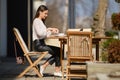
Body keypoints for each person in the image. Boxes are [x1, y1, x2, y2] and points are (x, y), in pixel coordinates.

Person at [32, 5, 62, 77]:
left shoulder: (40, 22)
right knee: (58, 51)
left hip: (42, 44)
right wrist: (49, 29)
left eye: (47, 13)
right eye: (45, 13)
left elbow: (45, 35)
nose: (46, 15)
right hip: (38, 45)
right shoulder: (36, 21)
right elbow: (40, 34)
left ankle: (44, 67)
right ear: (40, 12)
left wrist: (52, 31)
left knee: (59, 50)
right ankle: (56, 70)